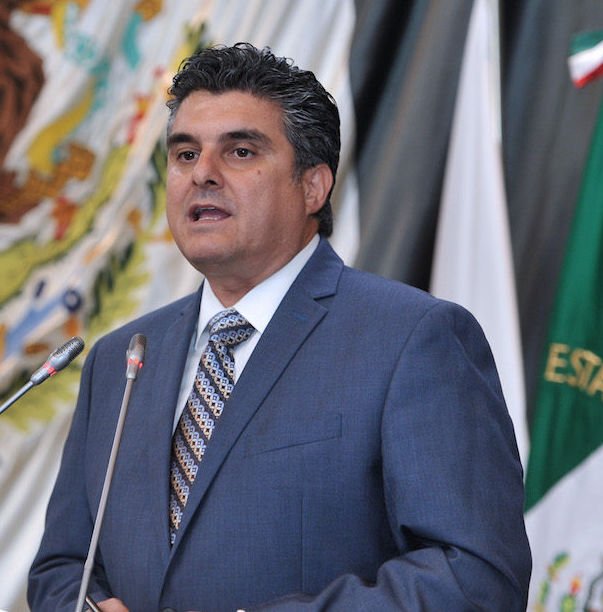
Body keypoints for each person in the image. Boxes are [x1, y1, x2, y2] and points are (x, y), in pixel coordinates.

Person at [27, 43, 530, 611]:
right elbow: (63, 568)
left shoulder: (413, 339)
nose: (202, 175)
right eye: (185, 154)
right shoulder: (122, 357)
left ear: (313, 186)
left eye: (240, 152)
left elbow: (475, 580)